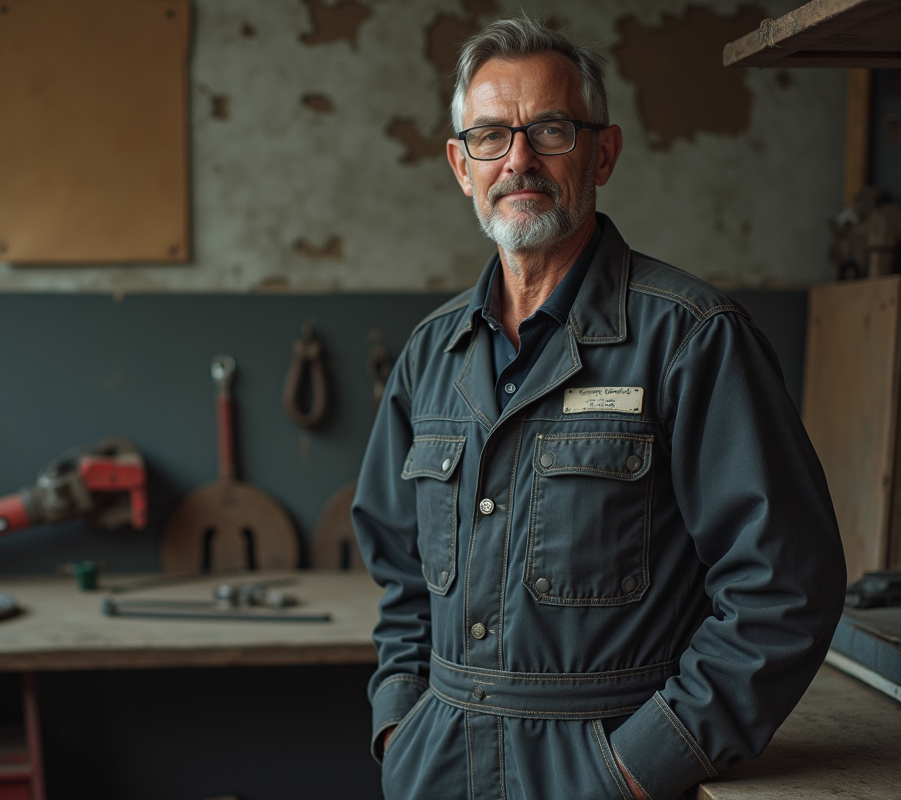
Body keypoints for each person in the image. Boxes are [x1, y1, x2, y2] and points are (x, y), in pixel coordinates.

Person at [352, 17, 845, 800]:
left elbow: (784, 585)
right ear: (459, 163)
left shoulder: (690, 339)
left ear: (603, 153)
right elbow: (399, 572)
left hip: (602, 770)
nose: (518, 160)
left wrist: (642, 764)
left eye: (549, 130)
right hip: (437, 766)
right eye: (489, 136)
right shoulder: (430, 355)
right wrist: (399, 721)